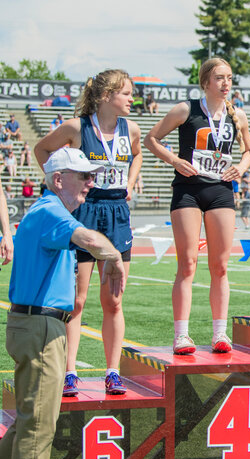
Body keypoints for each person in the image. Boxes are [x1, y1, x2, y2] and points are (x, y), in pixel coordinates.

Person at [0, 147, 124, 459]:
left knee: (32, 420)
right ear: (58, 179)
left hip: (36, 323)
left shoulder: (48, 210)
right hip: (41, 326)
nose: (90, 183)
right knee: (39, 427)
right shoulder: (50, 211)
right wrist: (112, 256)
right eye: (83, 176)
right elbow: (88, 239)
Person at [34, 69, 144, 397]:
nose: (131, 99)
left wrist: (129, 180)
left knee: (113, 299)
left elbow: (137, 153)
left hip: (117, 215)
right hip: (85, 211)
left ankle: (112, 371)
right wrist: (62, 185)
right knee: (77, 300)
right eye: (126, 93)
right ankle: (69, 372)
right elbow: (42, 150)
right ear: (107, 96)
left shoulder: (132, 129)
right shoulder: (77, 128)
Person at [144, 57, 250, 354]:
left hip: (221, 190)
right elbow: (151, 139)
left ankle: (220, 333)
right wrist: (175, 161)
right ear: (205, 82)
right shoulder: (185, 110)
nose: (226, 83)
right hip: (188, 190)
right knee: (188, 263)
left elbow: (248, 151)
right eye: (219, 78)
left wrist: (241, 169)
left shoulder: (237, 116)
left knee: (219, 266)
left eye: (229, 77)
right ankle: (182, 334)